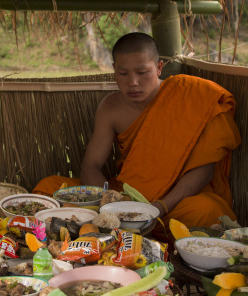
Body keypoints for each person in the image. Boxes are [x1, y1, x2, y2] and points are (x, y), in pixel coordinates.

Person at [34, 32, 241, 234]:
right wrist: (113, 203)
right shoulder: (111, 108)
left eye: (142, 73)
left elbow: (203, 169)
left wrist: (159, 207)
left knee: (208, 211)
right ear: (114, 69)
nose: (132, 82)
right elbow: (91, 165)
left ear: (159, 67)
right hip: (125, 196)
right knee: (48, 188)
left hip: (174, 202)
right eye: (123, 74)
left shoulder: (191, 96)